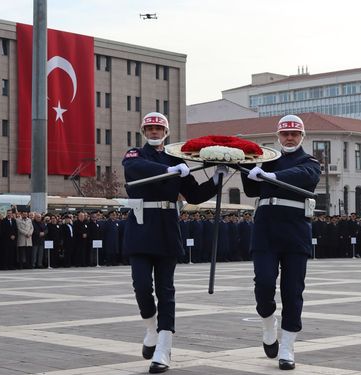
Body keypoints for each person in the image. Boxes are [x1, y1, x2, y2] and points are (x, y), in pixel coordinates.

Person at [122, 111, 224, 373]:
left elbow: (195, 194)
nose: (155, 132)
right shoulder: (136, 154)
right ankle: (150, 328)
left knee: (166, 289)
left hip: (167, 226)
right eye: (150, 128)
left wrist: (216, 179)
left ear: (166, 132)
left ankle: (164, 347)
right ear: (143, 131)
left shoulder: (177, 158)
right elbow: (134, 171)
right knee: (141, 285)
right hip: (142, 225)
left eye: (159, 128)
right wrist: (168, 170)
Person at [240, 114, 321, 370]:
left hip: (295, 232)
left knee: (293, 291)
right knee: (263, 284)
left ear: (302, 137)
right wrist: (246, 168)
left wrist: (272, 177)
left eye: (294, 134)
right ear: (278, 136)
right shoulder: (268, 159)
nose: (289, 138)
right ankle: (268, 323)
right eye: (285, 134)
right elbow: (253, 190)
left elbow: (305, 175)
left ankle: (287, 346)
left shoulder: (309, 162)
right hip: (265, 230)